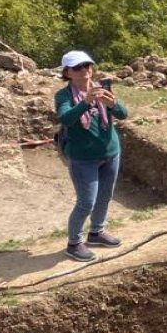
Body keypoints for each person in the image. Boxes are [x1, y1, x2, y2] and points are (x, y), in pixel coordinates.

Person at [55, 51, 128, 262]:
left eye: (88, 65)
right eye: (78, 67)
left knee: (105, 196)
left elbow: (123, 114)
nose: (85, 70)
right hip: (83, 157)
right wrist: (85, 102)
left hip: (110, 152)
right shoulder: (63, 95)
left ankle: (96, 231)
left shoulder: (101, 88)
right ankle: (74, 243)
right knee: (86, 201)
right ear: (67, 72)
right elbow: (66, 119)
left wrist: (113, 104)